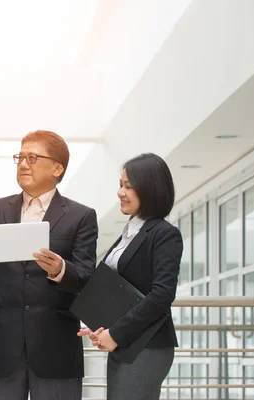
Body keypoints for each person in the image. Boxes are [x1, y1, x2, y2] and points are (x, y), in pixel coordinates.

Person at [0, 130, 98, 400]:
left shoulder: (81, 216)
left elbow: (86, 277)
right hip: (1, 346)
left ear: (58, 167)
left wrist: (60, 270)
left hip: (56, 346)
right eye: (20, 157)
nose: (23, 164)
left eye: (33, 157)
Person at [78, 152, 182, 400]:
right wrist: (104, 328)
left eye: (129, 186)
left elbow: (162, 295)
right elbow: (120, 289)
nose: (120, 193)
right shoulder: (130, 231)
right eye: (120, 185)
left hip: (147, 346)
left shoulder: (165, 234)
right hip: (125, 345)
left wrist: (115, 333)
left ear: (150, 189)